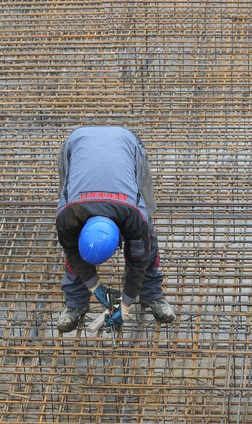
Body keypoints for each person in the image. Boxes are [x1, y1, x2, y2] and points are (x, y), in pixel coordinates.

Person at [55, 126, 175, 333]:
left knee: (147, 233)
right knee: (70, 249)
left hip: (126, 144)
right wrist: (95, 286)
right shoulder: (67, 217)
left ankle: (151, 293)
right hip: (76, 144)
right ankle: (76, 302)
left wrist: (125, 306)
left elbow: (138, 262)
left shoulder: (133, 219)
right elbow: (73, 253)